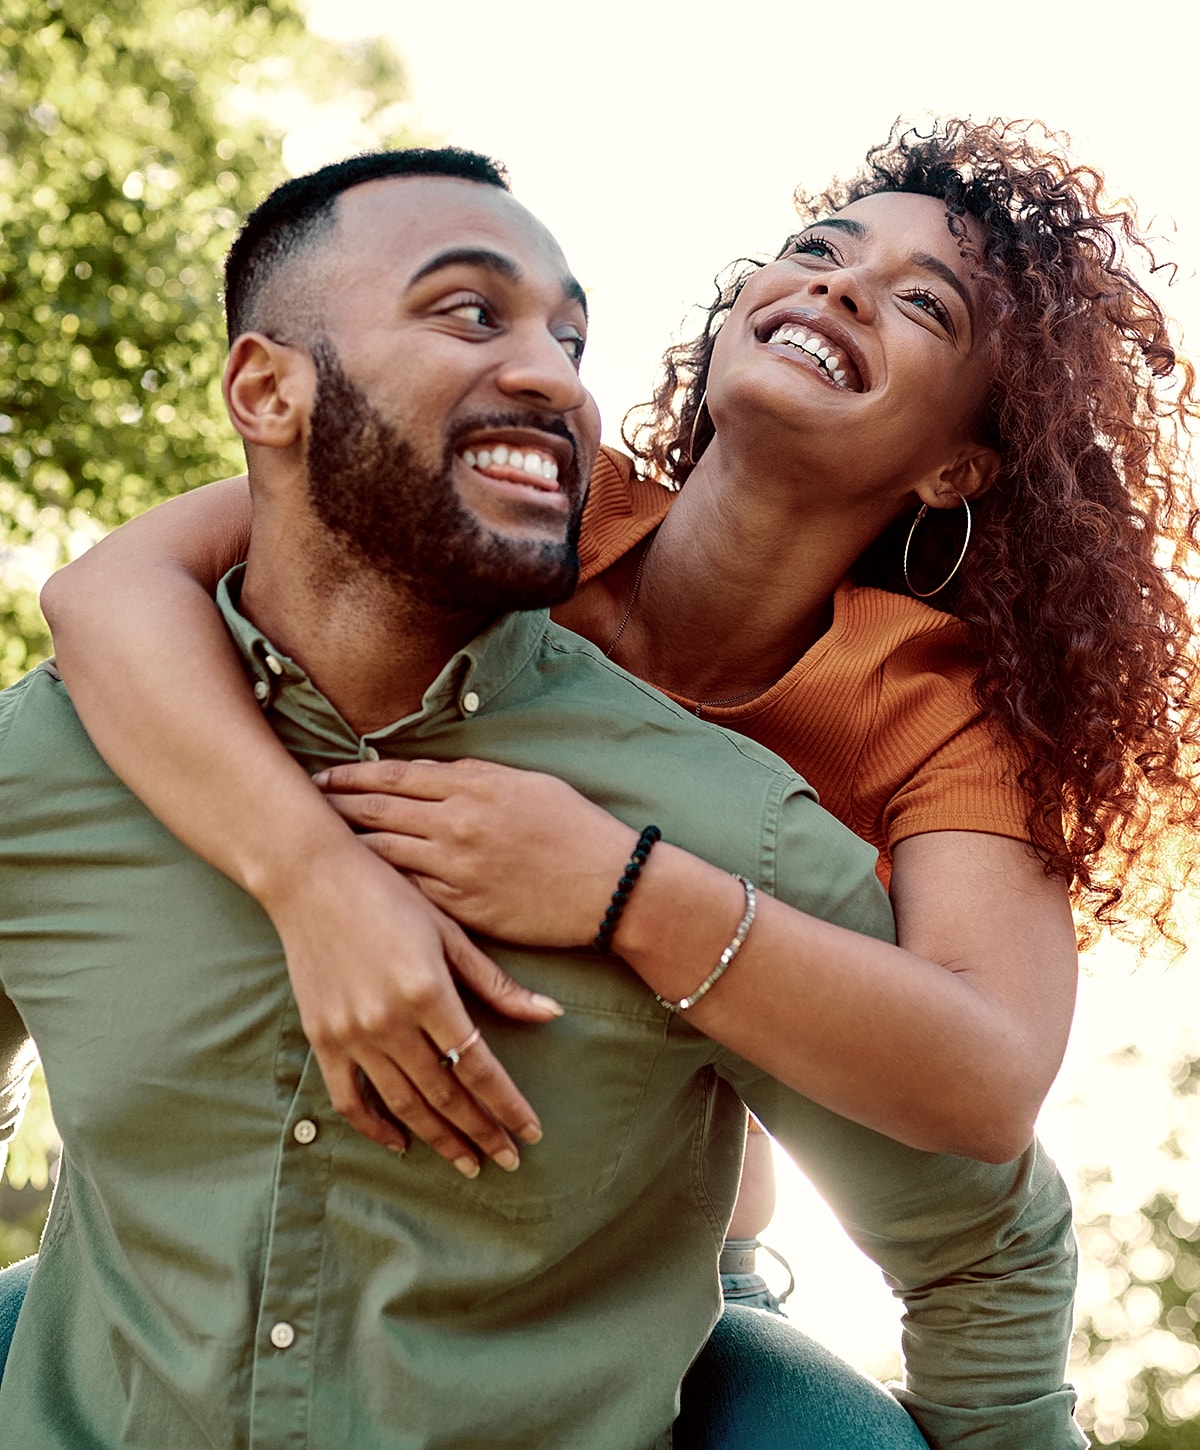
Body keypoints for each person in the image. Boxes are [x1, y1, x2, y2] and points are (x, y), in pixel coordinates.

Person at [34, 119, 1198, 1437]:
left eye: (924, 303)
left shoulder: (935, 709)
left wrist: (621, 886)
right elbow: (108, 592)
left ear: (957, 467)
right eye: (820, 249)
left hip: (648, 1271)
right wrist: (315, 882)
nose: (838, 288)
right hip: (258, 1233)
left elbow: (986, 1084)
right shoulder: (533, 500)